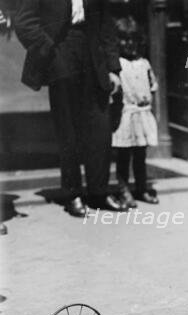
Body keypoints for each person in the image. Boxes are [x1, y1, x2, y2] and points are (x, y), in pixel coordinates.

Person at [13, 0, 127, 216]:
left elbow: (106, 24)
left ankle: (98, 193)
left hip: (93, 54)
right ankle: (72, 194)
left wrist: (113, 68)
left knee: (100, 127)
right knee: (68, 130)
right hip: (60, 52)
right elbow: (23, 22)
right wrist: (48, 49)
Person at [111, 16, 159, 208]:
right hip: (125, 115)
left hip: (142, 114)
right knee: (124, 156)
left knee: (140, 155)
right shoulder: (117, 64)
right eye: (124, 39)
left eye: (133, 40)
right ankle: (124, 190)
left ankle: (142, 188)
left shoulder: (144, 63)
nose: (129, 44)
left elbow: (152, 86)